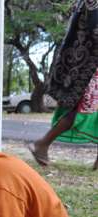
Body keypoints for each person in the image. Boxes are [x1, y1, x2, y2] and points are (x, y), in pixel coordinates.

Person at [29, 0, 98, 170]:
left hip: (85, 64)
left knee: (86, 110)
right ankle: (43, 144)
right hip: (87, 67)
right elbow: (95, 29)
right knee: (80, 110)